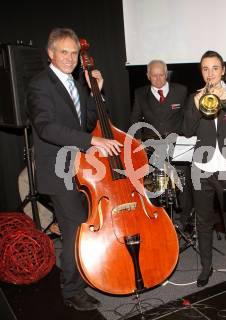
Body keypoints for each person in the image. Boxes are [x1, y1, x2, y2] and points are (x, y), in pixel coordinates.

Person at [27, 28, 121, 311]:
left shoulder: (77, 85)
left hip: (81, 171)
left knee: (79, 228)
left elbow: (88, 119)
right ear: (51, 54)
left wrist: (96, 92)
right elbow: (46, 128)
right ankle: (71, 289)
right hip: (59, 171)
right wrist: (91, 140)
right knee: (77, 229)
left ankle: (79, 277)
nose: (70, 58)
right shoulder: (40, 85)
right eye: (64, 52)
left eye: (74, 53)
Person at [183, 50, 226, 287]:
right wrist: (193, 105)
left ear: (223, 70)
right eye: (205, 69)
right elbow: (188, 131)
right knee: (203, 223)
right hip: (202, 168)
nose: (210, 73)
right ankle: (206, 268)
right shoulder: (195, 97)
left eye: (214, 68)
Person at [130, 60, 192, 230]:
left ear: (167, 74)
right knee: (154, 187)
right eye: (154, 75)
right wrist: (137, 140)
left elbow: (188, 118)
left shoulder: (181, 91)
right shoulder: (140, 94)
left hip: (177, 146)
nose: (158, 79)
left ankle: (184, 221)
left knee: (183, 185)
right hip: (152, 148)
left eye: (161, 74)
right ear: (148, 76)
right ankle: (158, 222)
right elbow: (134, 119)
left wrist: (189, 138)